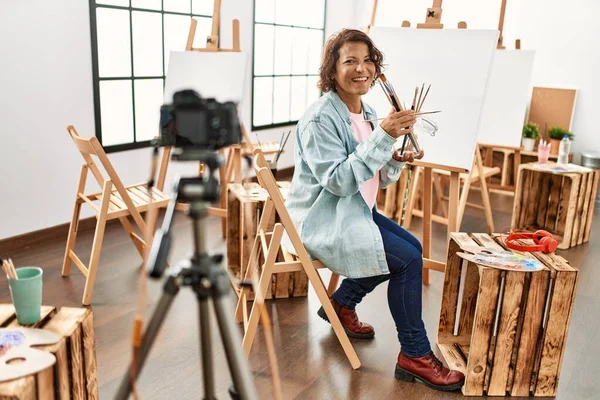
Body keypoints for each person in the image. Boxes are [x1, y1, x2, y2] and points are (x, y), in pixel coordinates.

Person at [284, 29, 465, 392]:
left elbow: (377, 179)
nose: (361, 68)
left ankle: (340, 303)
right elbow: (337, 181)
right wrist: (383, 137)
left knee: (411, 248)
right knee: (406, 260)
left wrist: (395, 156)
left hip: (353, 211)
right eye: (349, 60)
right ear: (332, 69)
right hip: (325, 219)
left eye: (368, 60)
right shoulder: (321, 118)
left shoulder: (366, 110)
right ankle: (414, 355)